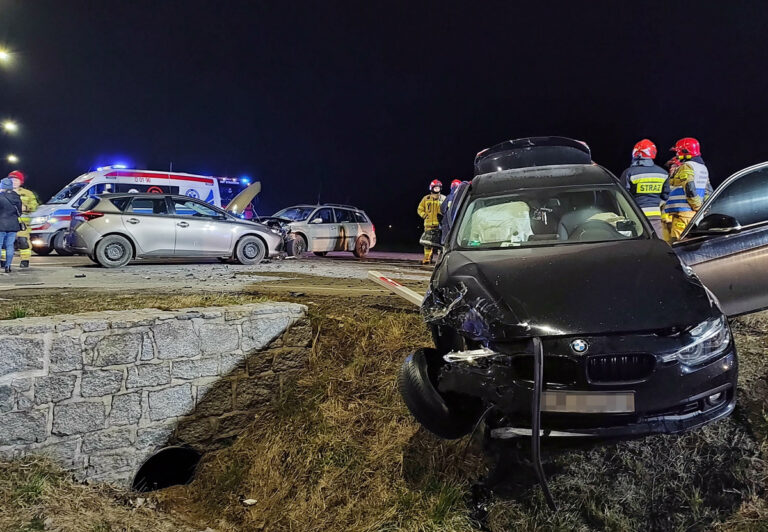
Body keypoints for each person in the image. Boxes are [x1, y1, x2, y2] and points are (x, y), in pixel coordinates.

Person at [662, 137, 713, 242]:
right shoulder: (702, 167)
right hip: (692, 213)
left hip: (684, 213)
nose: (677, 154)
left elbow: (689, 188)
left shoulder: (687, 166)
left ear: (685, 152)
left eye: (678, 152)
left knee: (680, 245)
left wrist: (697, 206)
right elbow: (708, 191)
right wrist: (704, 208)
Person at [620, 139, 669, 237]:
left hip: (636, 215)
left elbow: (622, 195)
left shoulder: (629, 172)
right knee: (658, 243)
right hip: (655, 215)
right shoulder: (663, 173)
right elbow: (665, 195)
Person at [8, 171, 39, 267]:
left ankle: (25, 260)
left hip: (22, 224)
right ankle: (3, 261)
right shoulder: (3, 192)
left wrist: (26, 207)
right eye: (12, 180)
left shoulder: (27, 193)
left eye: (16, 180)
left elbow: (34, 206)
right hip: (7, 223)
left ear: (21, 181)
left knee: (23, 241)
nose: (14, 182)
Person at [417, 179, 445, 264]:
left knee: (440, 243)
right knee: (427, 243)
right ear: (431, 188)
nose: (436, 189)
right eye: (435, 187)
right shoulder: (426, 198)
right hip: (428, 225)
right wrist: (424, 215)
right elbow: (420, 209)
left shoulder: (443, 198)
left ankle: (440, 260)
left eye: (438, 187)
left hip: (439, 225)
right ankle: (427, 258)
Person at [0, 178, 22, 273]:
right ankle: (8, 266)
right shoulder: (16, 197)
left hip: (1, 224)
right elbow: (19, 213)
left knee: (0, 245)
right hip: (13, 225)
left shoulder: (0, 197)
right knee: (10, 245)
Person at [439, 179, 463, 244]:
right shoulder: (463, 197)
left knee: (446, 243)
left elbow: (442, 209)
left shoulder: (449, 197)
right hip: (459, 223)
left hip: (447, 223)